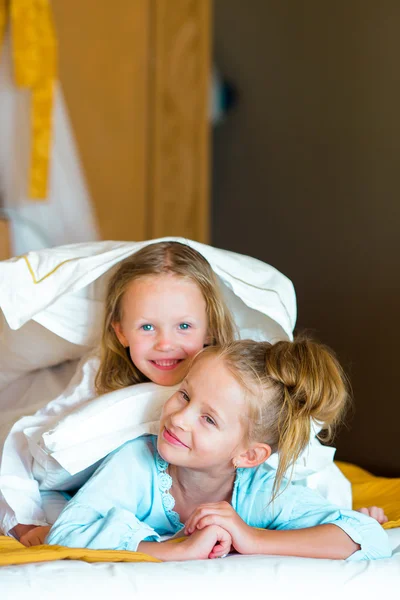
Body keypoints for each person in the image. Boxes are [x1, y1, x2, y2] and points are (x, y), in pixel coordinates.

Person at [46, 339, 391, 561]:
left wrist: (252, 538)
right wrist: (175, 551)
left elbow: (368, 538)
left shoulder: (259, 491)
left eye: (208, 419)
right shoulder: (137, 462)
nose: (179, 418)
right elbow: (66, 532)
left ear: (248, 456)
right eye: (184, 394)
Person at [7, 241, 235, 545]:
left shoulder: (229, 380)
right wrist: (25, 524)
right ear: (121, 332)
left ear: (209, 330)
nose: (165, 344)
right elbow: (42, 443)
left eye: (183, 325)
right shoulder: (99, 374)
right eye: (146, 328)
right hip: (81, 495)